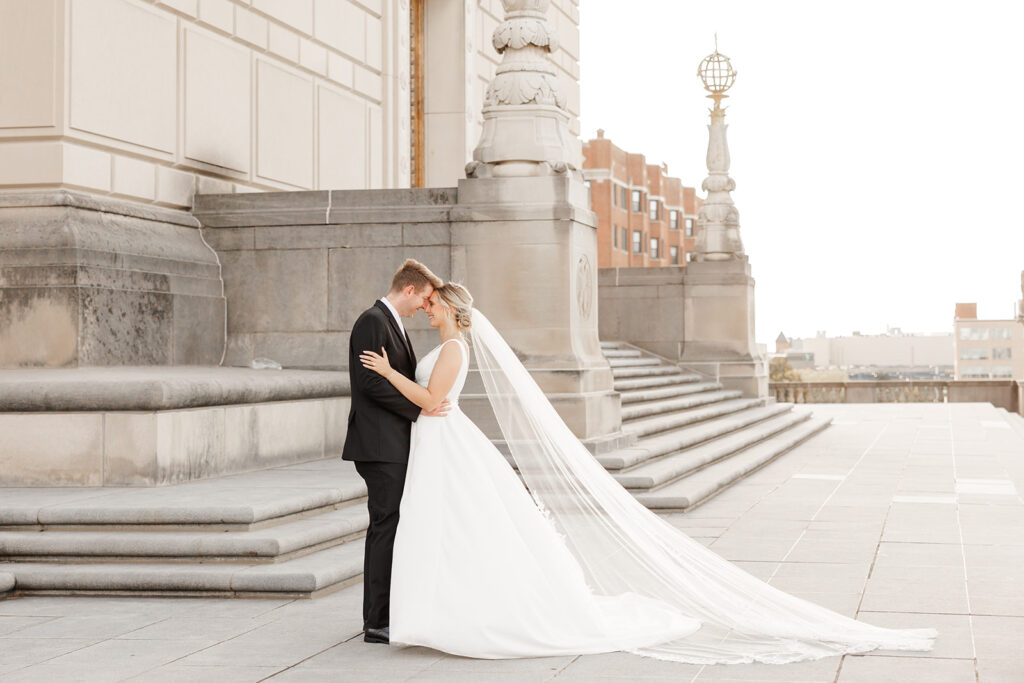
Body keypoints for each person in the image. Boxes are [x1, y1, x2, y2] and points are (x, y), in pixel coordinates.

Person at [359, 282, 937, 664]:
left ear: (451, 310)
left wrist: (387, 372)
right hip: (438, 448)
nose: (426, 308)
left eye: (433, 304)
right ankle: (434, 608)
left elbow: (434, 403)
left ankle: (452, 611)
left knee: (454, 526)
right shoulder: (444, 344)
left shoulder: (453, 349)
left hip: (444, 439)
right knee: (444, 529)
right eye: (426, 303)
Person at [342, 259, 448, 645]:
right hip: (379, 445)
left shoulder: (394, 323)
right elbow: (371, 383)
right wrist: (421, 409)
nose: (424, 305)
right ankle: (376, 622)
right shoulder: (373, 321)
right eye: (422, 297)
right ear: (408, 290)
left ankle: (385, 613)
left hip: (393, 443)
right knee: (385, 528)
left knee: (390, 527)